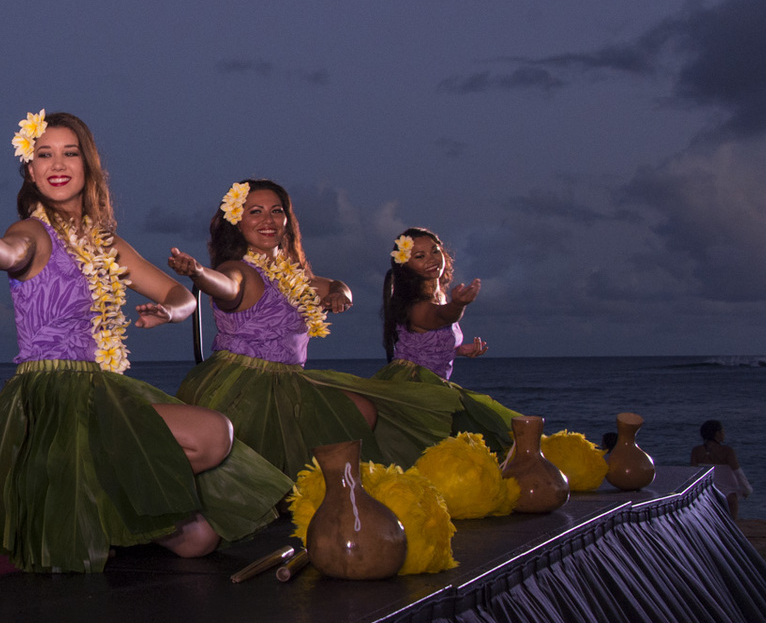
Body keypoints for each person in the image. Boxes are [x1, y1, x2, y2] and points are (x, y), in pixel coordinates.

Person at [0, 112, 290, 573]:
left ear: (88, 166)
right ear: (31, 168)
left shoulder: (108, 244)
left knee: (201, 538)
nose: (57, 164)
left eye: (69, 153)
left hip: (103, 390)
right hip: (53, 396)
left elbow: (179, 294)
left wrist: (170, 311)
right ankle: (81, 499)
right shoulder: (31, 233)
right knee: (210, 445)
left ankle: (100, 504)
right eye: (44, 154)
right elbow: (6, 255)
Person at [166, 180, 462, 477]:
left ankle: (331, 492)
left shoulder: (294, 276)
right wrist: (198, 272)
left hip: (291, 378)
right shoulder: (238, 269)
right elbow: (226, 287)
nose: (268, 220)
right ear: (237, 222)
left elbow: (336, 285)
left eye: (276, 211)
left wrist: (339, 294)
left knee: (363, 411)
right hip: (244, 381)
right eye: (255, 212)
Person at [376, 227, 520, 452]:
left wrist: (459, 350)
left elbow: (427, 344)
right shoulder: (416, 306)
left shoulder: (439, 295)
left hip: (435, 385)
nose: (432, 260)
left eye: (435, 251)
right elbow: (441, 317)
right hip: (414, 389)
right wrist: (458, 305)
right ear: (405, 266)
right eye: (420, 256)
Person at [692, 419, 751, 519]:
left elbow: (693, 475)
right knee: (731, 524)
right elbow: (738, 472)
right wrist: (747, 489)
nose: (724, 434)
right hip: (728, 494)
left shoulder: (696, 451)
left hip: (707, 493)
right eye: (722, 431)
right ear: (717, 433)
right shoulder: (727, 451)